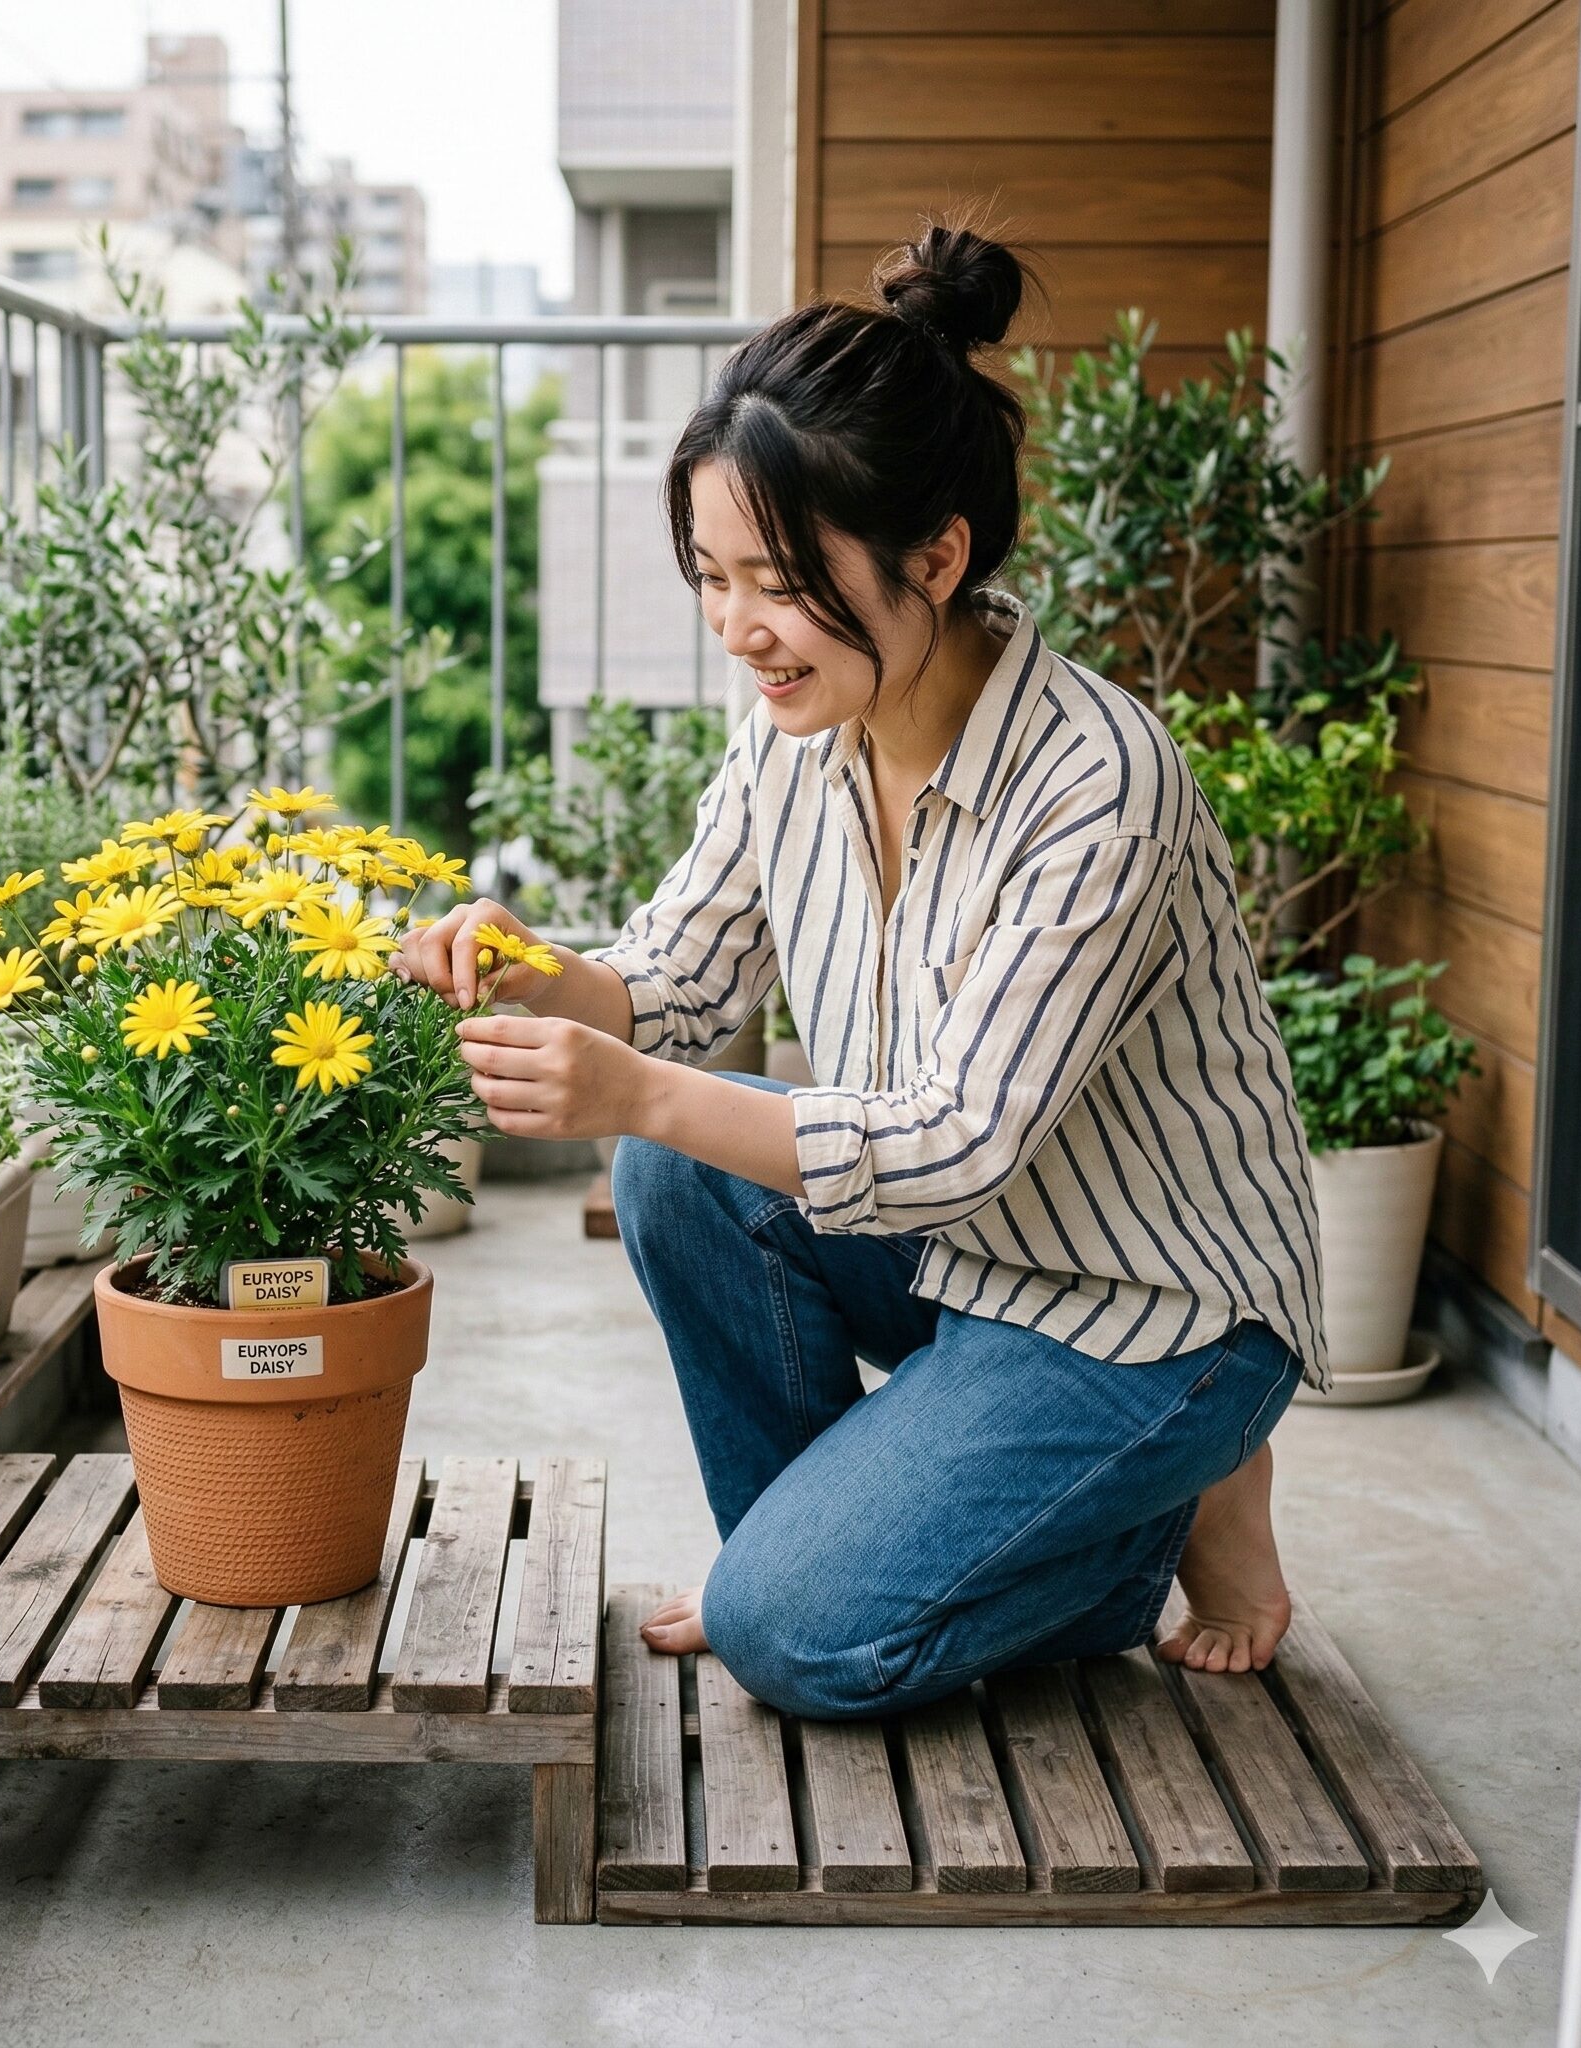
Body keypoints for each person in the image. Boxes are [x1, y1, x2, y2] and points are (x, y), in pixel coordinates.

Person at [387, 222, 1327, 1721]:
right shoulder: (794, 727)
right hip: (970, 1264)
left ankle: (1165, 1492)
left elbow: (956, 1143)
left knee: (803, 1643)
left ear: (936, 558)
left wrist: (632, 1088)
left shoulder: (1097, 782)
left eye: (778, 581)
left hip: (1146, 1304)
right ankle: (816, 1555)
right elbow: (681, 978)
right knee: (674, 1175)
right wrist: (539, 975)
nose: (737, 632)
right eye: (711, 577)